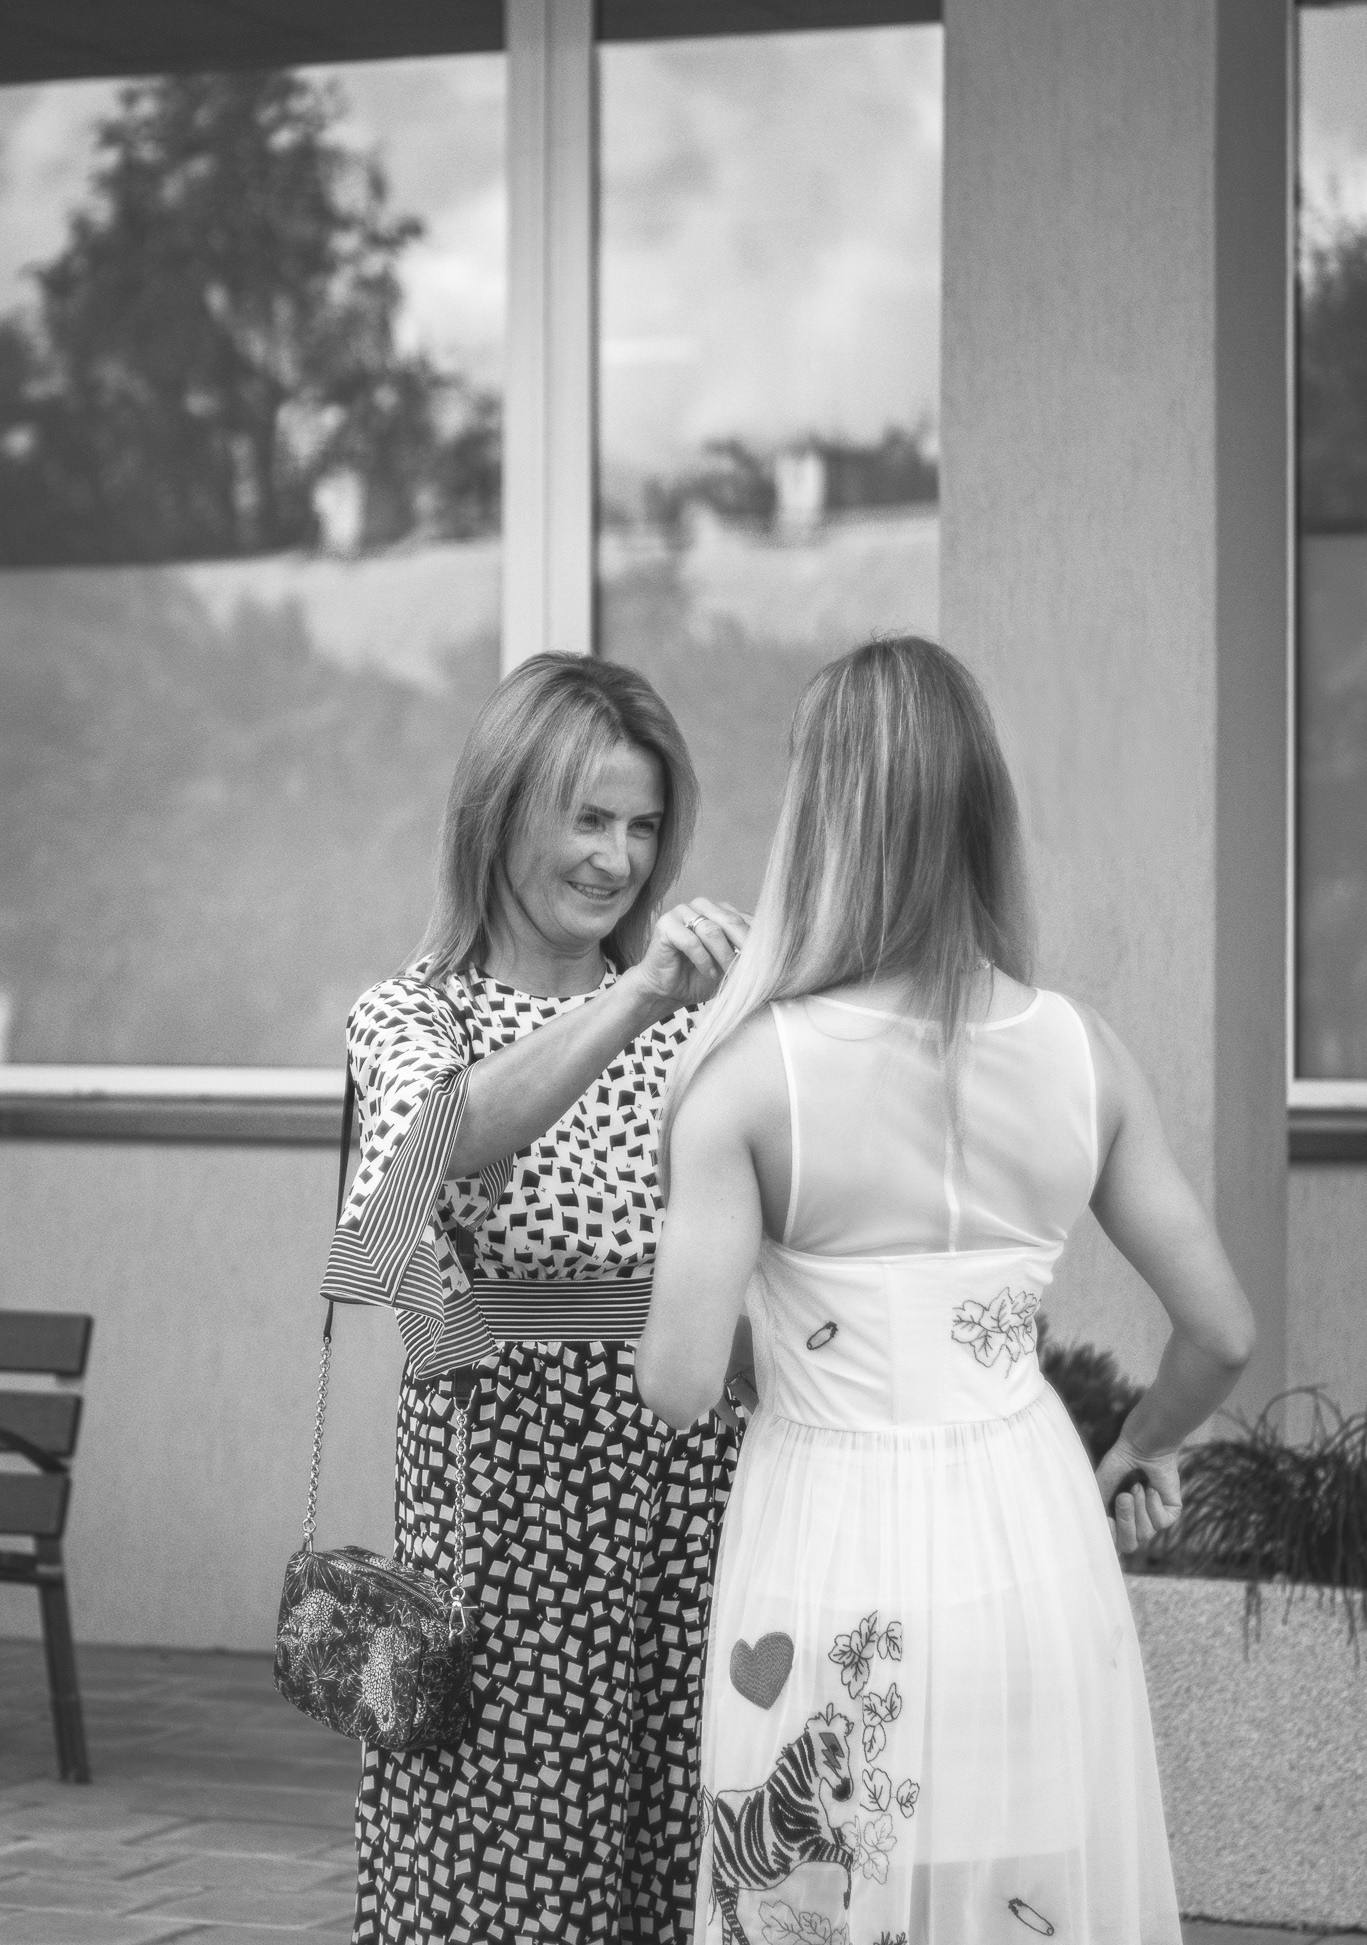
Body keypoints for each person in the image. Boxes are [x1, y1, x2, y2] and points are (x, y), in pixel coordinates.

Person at [636, 634, 1255, 1945]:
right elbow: (1220, 1331)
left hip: (828, 1540)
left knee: (818, 1901)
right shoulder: (1081, 1052)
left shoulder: (747, 1075)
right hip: (1028, 1540)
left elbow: (678, 1385)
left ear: (821, 816)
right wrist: (1142, 1445)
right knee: (1008, 1900)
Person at [325, 652, 749, 1945]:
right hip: (504, 1478)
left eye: (644, 826)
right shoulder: (414, 1013)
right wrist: (640, 996)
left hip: (692, 1461)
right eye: (589, 818)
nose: (620, 859)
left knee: (685, 1821)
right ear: (502, 810)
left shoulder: (705, 1018)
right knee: (506, 1838)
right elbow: (439, 1149)